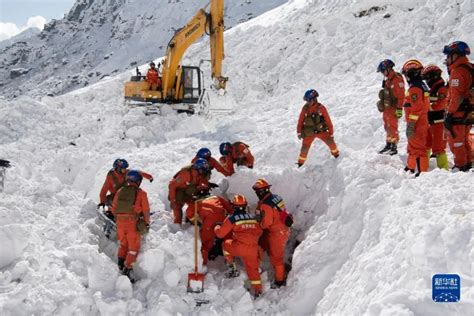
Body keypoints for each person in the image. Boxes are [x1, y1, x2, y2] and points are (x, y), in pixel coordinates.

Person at [214, 194, 263, 299]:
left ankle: (232, 267)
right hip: (253, 249)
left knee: (225, 244)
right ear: (245, 206)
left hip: (239, 247)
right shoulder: (253, 218)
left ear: (233, 206)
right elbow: (259, 231)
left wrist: (217, 227)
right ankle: (258, 291)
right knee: (253, 269)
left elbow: (220, 234)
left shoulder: (232, 218)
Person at [111, 170, 151, 283]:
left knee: (123, 244)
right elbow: (146, 210)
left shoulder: (120, 191)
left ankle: (120, 264)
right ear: (138, 181)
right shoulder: (141, 193)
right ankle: (126, 270)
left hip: (119, 223)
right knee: (133, 249)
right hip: (132, 223)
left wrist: (121, 218)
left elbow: (113, 208)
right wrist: (146, 222)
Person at [253, 179, 293, 288]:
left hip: (277, 233)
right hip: (283, 229)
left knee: (277, 259)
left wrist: (258, 223)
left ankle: (279, 281)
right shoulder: (276, 197)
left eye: (257, 192)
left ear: (260, 192)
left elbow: (266, 223)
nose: (256, 194)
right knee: (273, 252)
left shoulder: (266, 205)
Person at [442, 41, 473, 171]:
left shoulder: (458, 71)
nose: (447, 59)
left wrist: (449, 114)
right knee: (464, 140)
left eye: (449, 56)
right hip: (469, 112)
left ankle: (460, 166)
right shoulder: (470, 67)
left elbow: (456, 97)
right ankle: (468, 163)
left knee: (456, 142)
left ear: (456, 55)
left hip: (458, 113)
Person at [186, 183, 233, 264]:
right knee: (227, 241)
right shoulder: (217, 198)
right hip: (223, 221)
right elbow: (229, 208)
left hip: (209, 223)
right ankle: (231, 263)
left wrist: (196, 222)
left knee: (206, 244)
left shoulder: (196, 202)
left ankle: (203, 265)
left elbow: (189, 213)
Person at [296, 89, 339, 167]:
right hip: (309, 132)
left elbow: (328, 121)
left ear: (314, 99)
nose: (307, 103)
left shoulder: (321, 108)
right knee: (304, 149)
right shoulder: (305, 108)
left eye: (308, 101)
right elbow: (300, 120)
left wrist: (331, 133)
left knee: (331, 143)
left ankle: (336, 155)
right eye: (306, 101)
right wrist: (299, 132)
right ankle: (300, 163)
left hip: (321, 131)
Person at [401, 59, 430, 176]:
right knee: (413, 145)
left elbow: (417, 107)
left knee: (418, 148)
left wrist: (411, 124)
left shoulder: (415, 88)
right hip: (421, 121)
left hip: (417, 123)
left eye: (406, 75)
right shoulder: (422, 85)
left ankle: (421, 172)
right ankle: (411, 166)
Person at [421, 64, 449, 169]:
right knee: (426, 143)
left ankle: (444, 170)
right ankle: (423, 166)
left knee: (439, 147)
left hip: (439, 122)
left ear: (433, 76)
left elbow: (441, 104)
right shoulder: (432, 88)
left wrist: (427, 106)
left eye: (427, 78)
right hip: (430, 121)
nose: (426, 81)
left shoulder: (442, 89)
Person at [376, 59, 406, 155]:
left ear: (389, 69)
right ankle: (388, 144)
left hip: (394, 107)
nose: (383, 74)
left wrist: (399, 109)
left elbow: (401, 96)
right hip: (387, 108)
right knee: (387, 126)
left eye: (383, 71)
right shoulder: (388, 79)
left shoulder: (397, 80)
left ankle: (394, 146)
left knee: (393, 127)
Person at [168, 158, 211, 224]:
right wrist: (172, 200)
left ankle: (191, 218)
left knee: (196, 201)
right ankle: (177, 224)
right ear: (198, 169)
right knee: (177, 206)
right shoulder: (186, 174)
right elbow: (172, 185)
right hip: (178, 190)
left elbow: (202, 182)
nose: (205, 172)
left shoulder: (200, 174)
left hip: (189, 190)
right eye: (203, 170)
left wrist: (207, 186)